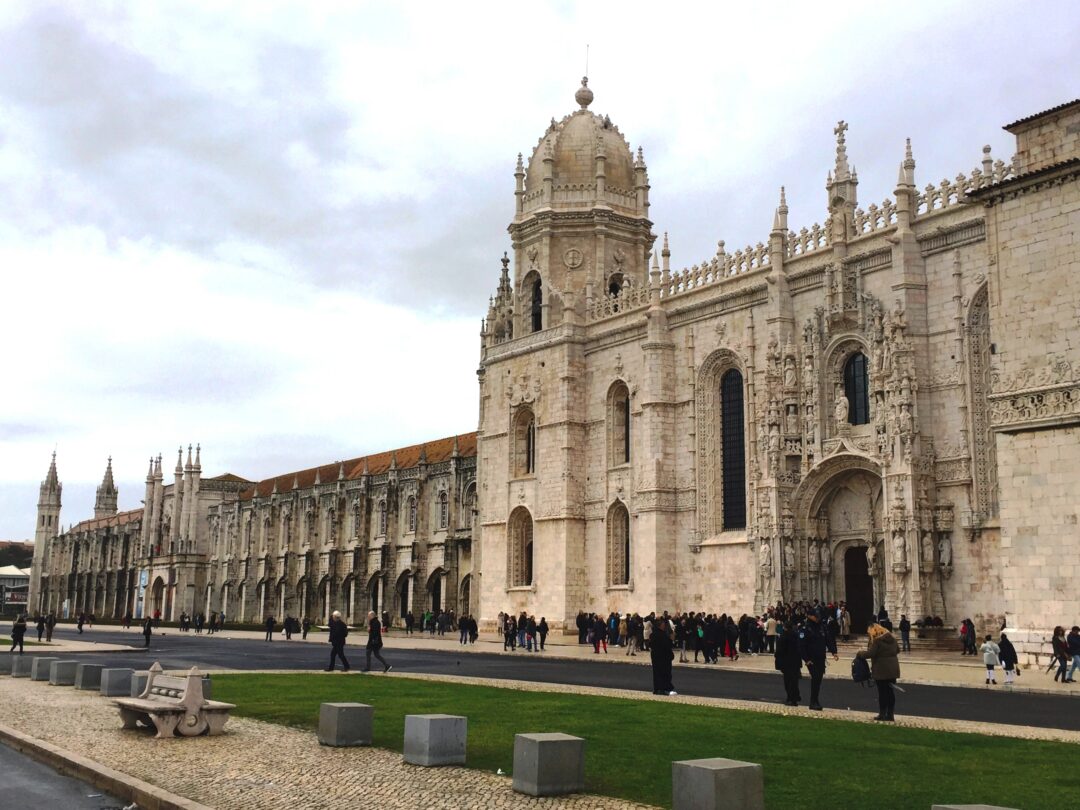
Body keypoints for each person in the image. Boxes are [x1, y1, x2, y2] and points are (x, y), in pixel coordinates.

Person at [856, 619, 900, 721]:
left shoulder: (877, 641)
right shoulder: (892, 639)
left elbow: (870, 653)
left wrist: (859, 653)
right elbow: (898, 650)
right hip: (893, 669)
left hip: (881, 669)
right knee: (890, 692)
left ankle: (882, 713)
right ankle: (890, 714)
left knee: (882, 693)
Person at [798, 611, 838, 711]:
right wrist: (806, 659)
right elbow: (801, 646)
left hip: (821, 657)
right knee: (815, 678)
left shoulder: (822, 627)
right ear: (810, 616)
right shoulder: (805, 628)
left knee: (818, 679)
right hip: (811, 658)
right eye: (815, 617)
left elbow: (828, 639)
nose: (817, 618)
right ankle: (813, 702)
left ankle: (815, 700)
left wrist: (833, 651)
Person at [774, 620, 803, 706]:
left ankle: (791, 698)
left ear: (785, 627)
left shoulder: (783, 637)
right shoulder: (796, 635)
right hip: (795, 661)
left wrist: (777, 657)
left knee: (788, 681)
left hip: (786, 662)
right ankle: (794, 697)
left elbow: (779, 650)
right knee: (794, 681)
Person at [649, 619, 677, 696]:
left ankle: (657, 689)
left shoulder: (653, 634)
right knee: (665, 673)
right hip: (663, 657)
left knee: (657, 673)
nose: (664, 626)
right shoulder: (662, 635)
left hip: (655, 657)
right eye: (663, 625)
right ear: (660, 625)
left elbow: (650, 645)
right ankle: (664, 689)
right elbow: (667, 646)